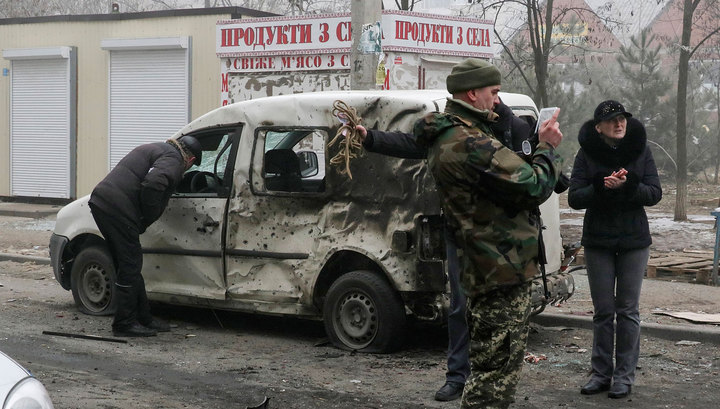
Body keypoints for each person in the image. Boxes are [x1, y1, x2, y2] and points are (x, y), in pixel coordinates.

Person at [356, 98, 539, 402]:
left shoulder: (512, 127)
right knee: (460, 306)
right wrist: (372, 138)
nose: (491, 98)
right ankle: (457, 376)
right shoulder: (456, 130)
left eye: (495, 92)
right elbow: (413, 143)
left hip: (503, 238)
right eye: (487, 91)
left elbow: (532, 177)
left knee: (500, 312)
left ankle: (493, 380)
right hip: (461, 233)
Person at [411, 58, 562, 408]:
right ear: (472, 93)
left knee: (491, 367)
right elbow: (534, 185)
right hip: (499, 270)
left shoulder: (455, 134)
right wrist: (548, 148)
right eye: (493, 93)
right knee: (494, 377)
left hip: (486, 265)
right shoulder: (469, 142)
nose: (497, 101)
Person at [568, 100, 661, 399]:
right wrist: (601, 187)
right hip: (598, 241)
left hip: (634, 241)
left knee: (628, 310)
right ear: (599, 128)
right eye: (611, 120)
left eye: (621, 119)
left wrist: (629, 184)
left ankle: (624, 376)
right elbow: (574, 198)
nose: (619, 124)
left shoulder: (641, 150)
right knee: (604, 311)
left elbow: (654, 193)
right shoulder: (586, 154)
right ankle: (600, 373)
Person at [88, 135, 202, 337]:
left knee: (128, 263)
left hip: (103, 203)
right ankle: (124, 324)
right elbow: (153, 183)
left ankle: (143, 318)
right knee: (131, 264)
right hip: (117, 208)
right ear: (190, 161)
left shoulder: (159, 149)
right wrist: (147, 216)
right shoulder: (175, 159)